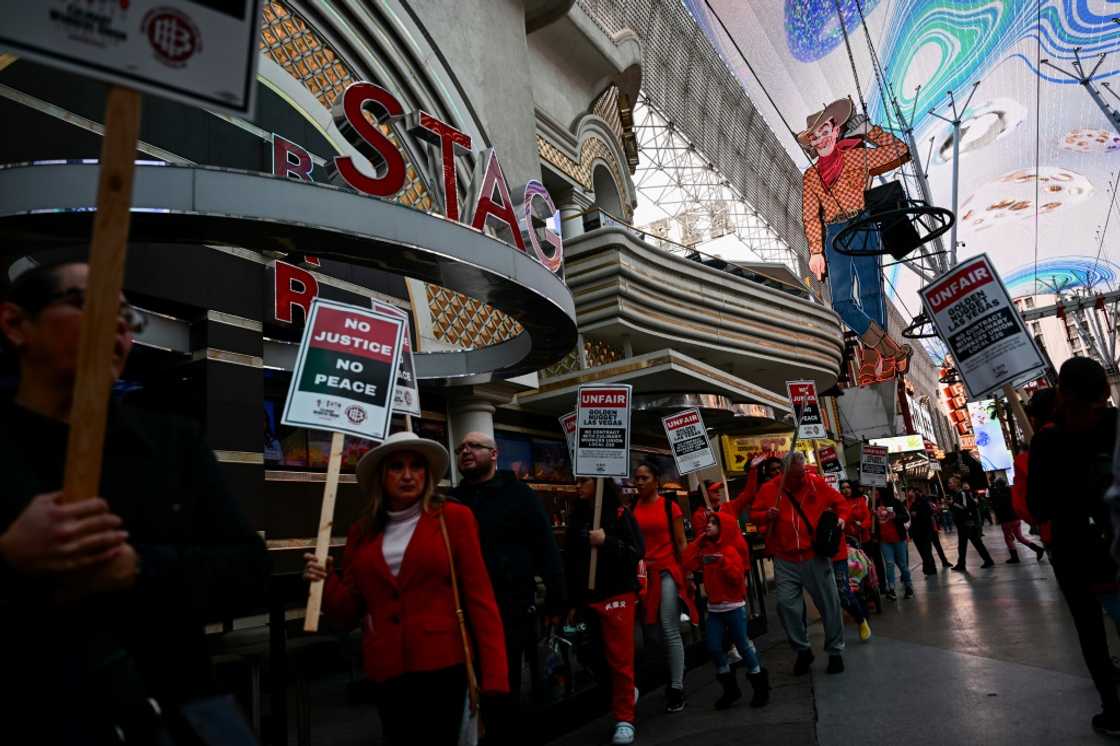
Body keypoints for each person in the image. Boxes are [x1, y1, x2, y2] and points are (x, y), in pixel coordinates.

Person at [0, 261, 271, 743]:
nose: (118, 325)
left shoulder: (172, 443)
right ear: (16, 324)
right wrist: (9, 557)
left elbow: (248, 570)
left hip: (173, 713)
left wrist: (139, 568)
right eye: (89, 304)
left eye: (128, 316)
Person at [306, 431, 508, 745]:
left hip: (444, 668)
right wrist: (325, 581)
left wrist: (495, 676)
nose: (408, 475)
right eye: (396, 467)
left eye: (417, 466)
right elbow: (349, 611)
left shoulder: (454, 518)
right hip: (387, 672)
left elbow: (480, 599)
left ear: (428, 474)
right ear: (381, 476)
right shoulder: (362, 532)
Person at [451, 431, 565, 744]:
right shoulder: (453, 500)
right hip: (463, 612)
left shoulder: (519, 494)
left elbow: (545, 546)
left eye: (474, 446)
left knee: (504, 687)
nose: (466, 451)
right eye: (461, 447)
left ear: (494, 453)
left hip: (511, 608)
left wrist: (556, 601)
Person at [1028, 357, 1120, 736]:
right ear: (1105, 389)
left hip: (1075, 551)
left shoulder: (1048, 440)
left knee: (1091, 631)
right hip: (1115, 540)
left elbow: (1037, 507)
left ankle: (1113, 710)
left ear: (1063, 393)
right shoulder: (1117, 426)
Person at [750, 452, 849, 675]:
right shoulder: (769, 490)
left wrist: (841, 519)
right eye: (795, 474)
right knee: (786, 606)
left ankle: (835, 651)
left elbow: (841, 503)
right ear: (785, 473)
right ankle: (802, 650)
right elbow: (754, 515)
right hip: (785, 558)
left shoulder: (815, 483)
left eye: (802, 472)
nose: (801, 477)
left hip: (814, 555)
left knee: (829, 604)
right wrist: (767, 515)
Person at [564, 477, 645, 745]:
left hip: (617, 594)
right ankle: (623, 692)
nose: (577, 486)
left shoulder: (621, 514)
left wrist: (606, 541)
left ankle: (624, 718)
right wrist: (572, 602)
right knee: (591, 654)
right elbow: (571, 561)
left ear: (598, 484)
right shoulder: (576, 519)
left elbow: (637, 552)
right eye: (575, 481)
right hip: (588, 598)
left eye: (583, 481)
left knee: (620, 658)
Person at [683, 512, 770, 709]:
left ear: (725, 528)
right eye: (708, 522)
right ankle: (731, 689)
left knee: (743, 645)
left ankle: (759, 686)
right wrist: (699, 541)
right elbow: (687, 562)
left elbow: (736, 578)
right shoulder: (704, 548)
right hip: (714, 609)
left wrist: (722, 562)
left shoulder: (731, 549)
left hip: (733, 607)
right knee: (714, 647)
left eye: (714, 523)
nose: (709, 526)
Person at [632, 460, 697, 713]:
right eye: (636, 478)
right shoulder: (631, 509)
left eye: (644, 478)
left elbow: (681, 543)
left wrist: (689, 574)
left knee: (669, 627)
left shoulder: (670, 507)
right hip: (643, 576)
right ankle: (672, 672)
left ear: (656, 480)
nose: (639, 482)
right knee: (651, 633)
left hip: (668, 571)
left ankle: (677, 686)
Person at [1012, 388, 1057, 546]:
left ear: (1033, 418)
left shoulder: (1028, 457)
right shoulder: (1090, 431)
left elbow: (1023, 505)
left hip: (1056, 531)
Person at [833, 480, 872, 642]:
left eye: (848, 487)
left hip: (862, 540)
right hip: (845, 544)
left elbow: (867, 518)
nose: (845, 490)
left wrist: (862, 525)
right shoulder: (839, 504)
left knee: (863, 573)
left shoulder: (860, 501)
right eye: (842, 488)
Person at [990, 476, 1044, 564]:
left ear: (998, 485)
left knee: (1008, 539)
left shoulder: (998, 494)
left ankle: (1014, 557)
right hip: (1016, 518)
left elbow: (996, 505)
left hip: (1006, 520)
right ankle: (1037, 549)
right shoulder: (1011, 491)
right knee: (1020, 537)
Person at [874, 486, 914, 599]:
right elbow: (874, 523)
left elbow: (906, 517)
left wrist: (895, 516)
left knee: (902, 564)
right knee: (889, 564)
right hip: (884, 540)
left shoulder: (896, 502)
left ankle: (908, 586)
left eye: (877, 490)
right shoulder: (874, 504)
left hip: (898, 538)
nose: (874, 492)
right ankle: (891, 588)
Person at [948, 475, 994, 571]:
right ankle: (961, 564)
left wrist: (952, 504)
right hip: (961, 524)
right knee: (962, 545)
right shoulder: (956, 495)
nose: (949, 484)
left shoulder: (962, 494)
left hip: (967, 523)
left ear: (956, 484)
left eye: (950, 482)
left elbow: (964, 508)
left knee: (977, 543)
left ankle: (988, 560)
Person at [908, 488, 951, 574]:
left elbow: (929, 512)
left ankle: (943, 561)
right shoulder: (909, 502)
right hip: (918, 530)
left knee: (936, 546)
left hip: (929, 528)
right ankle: (930, 566)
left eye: (911, 491)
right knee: (926, 550)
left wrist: (918, 513)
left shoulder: (923, 501)